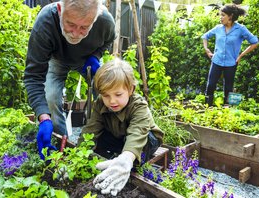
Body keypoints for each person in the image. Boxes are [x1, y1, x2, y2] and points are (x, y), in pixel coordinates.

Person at [24, 0, 116, 159]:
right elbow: (33, 76)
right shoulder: (46, 22)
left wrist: (95, 57)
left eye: (84, 28)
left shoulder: (105, 21)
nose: (75, 33)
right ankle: (60, 145)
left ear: (95, 18)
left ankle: (107, 143)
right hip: (57, 59)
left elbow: (108, 40)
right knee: (50, 98)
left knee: (107, 93)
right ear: (60, 10)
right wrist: (43, 117)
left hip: (87, 60)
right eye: (70, 24)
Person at [77, 58, 164, 196]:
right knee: (98, 140)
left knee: (138, 148)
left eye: (118, 94)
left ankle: (126, 162)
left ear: (130, 90)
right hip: (118, 135)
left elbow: (137, 132)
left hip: (145, 139)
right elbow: (91, 129)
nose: (112, 101)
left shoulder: (138, 105)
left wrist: (127, 159)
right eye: (106, 95)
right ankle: (115, 158)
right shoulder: (101, 103)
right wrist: (78, 155)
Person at [202, 4, 258, 106]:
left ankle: (227, 112)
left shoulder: (241, 29)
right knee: (210, 86)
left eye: (223, 15)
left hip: (231, 63)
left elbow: (255, 42)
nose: (221, 17)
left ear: (230, 16)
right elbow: (205, 36)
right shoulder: (218, 28)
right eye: (220, 15)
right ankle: (207, 109)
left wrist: (241, 55)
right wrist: (207, 50)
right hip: (216, 61)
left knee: (228, 88)